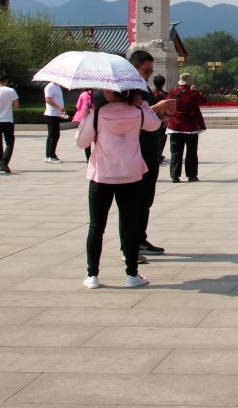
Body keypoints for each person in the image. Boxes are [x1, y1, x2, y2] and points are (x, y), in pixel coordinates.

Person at [75, 87, 161, 289]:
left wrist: (87, 117)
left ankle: (92, 275)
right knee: (130, 225)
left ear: (108, 94)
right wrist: (144, 105)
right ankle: (132, 274)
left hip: (102, 175)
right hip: (130, 175)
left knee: (96, 227)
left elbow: (81, 142)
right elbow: (155, 124)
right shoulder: (138, 112)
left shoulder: (98, 115)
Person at [126, 50, 175, 258]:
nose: (148, 75)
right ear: (134, 68)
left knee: (146, 199)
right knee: (137, 200)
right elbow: (133, 115)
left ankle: (140, 238)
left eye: (150, 71)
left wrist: (165, 114)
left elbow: (149, 117)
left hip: (150, 150)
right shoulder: (129, 89)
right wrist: (158, 107)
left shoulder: (143, 87)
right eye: (146, 71)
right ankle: (133, 243)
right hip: (139, 152)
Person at [167, 73, 206, 183]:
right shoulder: (193, 94)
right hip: (190, 127)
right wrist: (196, 91)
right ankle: (191, 175)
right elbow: (203, 101)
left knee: (175, 152)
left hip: (175, 126)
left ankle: (174, 176)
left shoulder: (173, 93)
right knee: (191, 152)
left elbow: (168, 105)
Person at [43, 81, 66, 164]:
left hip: (56, 114)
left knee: (52, 135)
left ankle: (48, 155)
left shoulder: (57, 86)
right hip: (51, 114)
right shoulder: (50, 86)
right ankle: (51, 156)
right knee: (54, 135)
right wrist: (59, 107)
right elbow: (48, 99)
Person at [150, 75, 169, 164]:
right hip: (162, 118)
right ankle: (159, 154)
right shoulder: (165, 95)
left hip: (152, 118)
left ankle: (155, 154)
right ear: (163, 83)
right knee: (162, 137)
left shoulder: (151, 94)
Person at [73, 89, 94, 162]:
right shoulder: (96, 94)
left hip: (84, 117)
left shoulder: (83, 94)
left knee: (86, 136)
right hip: (94, 117)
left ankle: (88, 158)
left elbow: (78, 106)